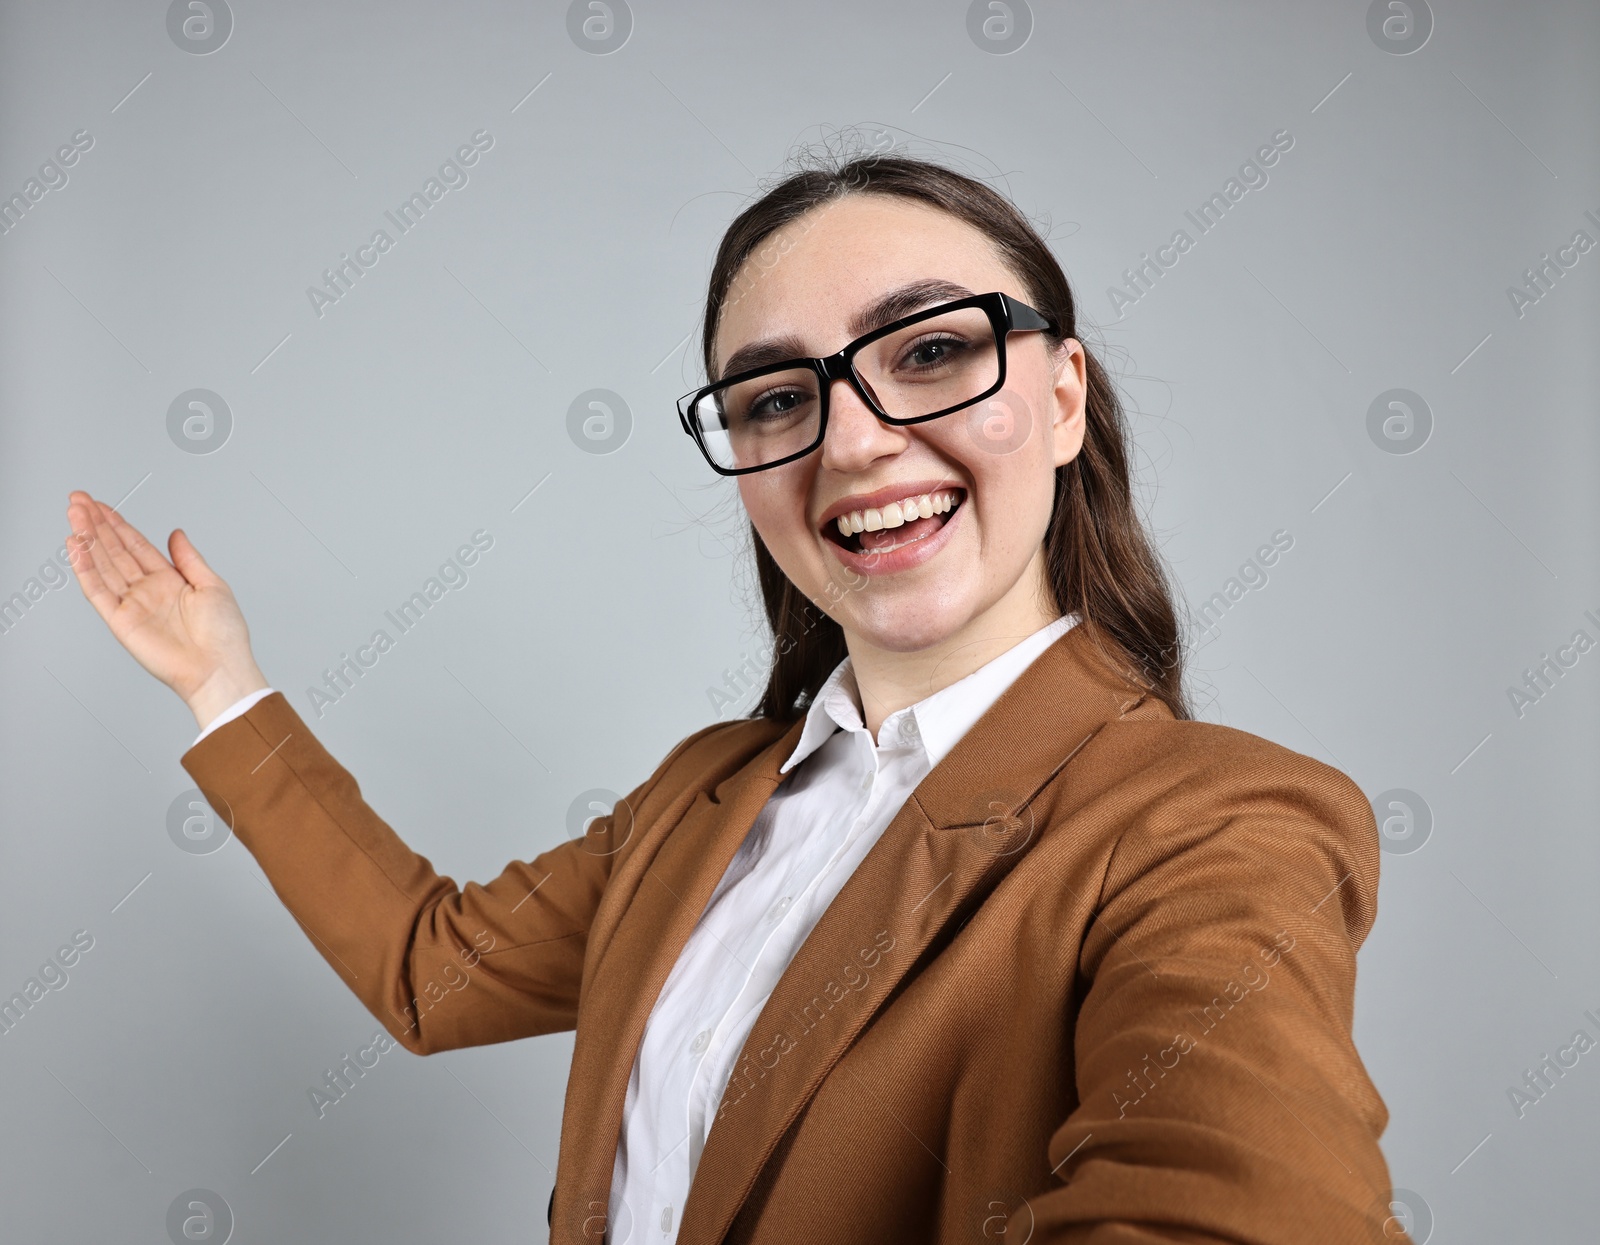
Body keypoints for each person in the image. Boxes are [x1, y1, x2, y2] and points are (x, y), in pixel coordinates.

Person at [66, 151, 1409, 1243]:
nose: (856, 437)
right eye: (777, 396)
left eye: (931, 353)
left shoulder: (1221, 824)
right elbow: (436, 974)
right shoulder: (704, 795)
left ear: (1063, 399)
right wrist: (219, 682)